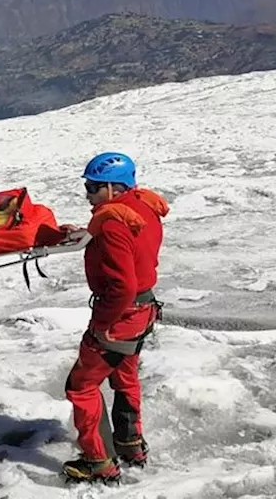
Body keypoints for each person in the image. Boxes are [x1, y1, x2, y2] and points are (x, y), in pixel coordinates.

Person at [61, 151, 170, 483]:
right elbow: (131, 242)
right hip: (144, 310)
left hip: (121, 315)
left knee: (81, 385)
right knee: (124, 377)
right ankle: (129, 443)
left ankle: (98, 461)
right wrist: (87, 233)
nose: (89, 195)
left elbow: (122, 285)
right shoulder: (142, 206)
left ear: (112, 187)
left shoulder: (111, 223)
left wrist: (103, 325)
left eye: (93, 188)